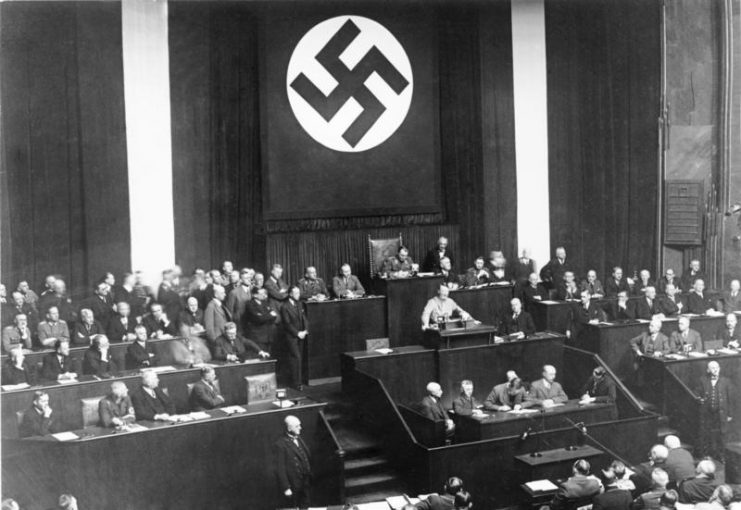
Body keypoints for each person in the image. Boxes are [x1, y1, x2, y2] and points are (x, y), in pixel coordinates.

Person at [696, 361, 735, 461]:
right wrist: (700, 398)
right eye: (712, 368)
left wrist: (729, 414)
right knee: (706, 433)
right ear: (708, 370)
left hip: (721, 413)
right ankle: (706, 454)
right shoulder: (703, 380)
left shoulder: (726, 381)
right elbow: (697, 393)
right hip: (708, 413)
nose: (715, 369)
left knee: (722, 434)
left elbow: (730, 399)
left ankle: (721, 455)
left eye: (717, 367)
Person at [275, 415, 312, 510]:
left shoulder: (299, 438)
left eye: (299, 425)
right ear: (289, 428)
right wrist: (286, 487)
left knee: (305, 505)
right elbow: (280, 468)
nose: (300, 428)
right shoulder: (280, 444)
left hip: (305, 481)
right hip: (294, 484)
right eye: (297, 426)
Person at [281, 286, 309, 389]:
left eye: (299, 292)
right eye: (296, 293)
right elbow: (287, 324)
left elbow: (304, 318)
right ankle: (296, 383)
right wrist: (297, 333)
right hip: (291, 336)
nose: (298, 295)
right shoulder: (284, 306)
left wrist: (305, 330)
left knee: (299, 358)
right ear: (290, 294)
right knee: (296, 358)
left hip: (301, 335)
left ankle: (298, 381)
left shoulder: (299, 303)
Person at [244, 287, 279, 352]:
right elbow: (258, 319)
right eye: (262, 293)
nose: (264, 295)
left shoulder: (265, 303)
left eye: (264, 293)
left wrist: (264, 316)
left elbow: (274, 316)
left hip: (268, 336)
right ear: (254, 295)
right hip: (258, 337)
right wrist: (269, 315)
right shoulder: (250, 304)